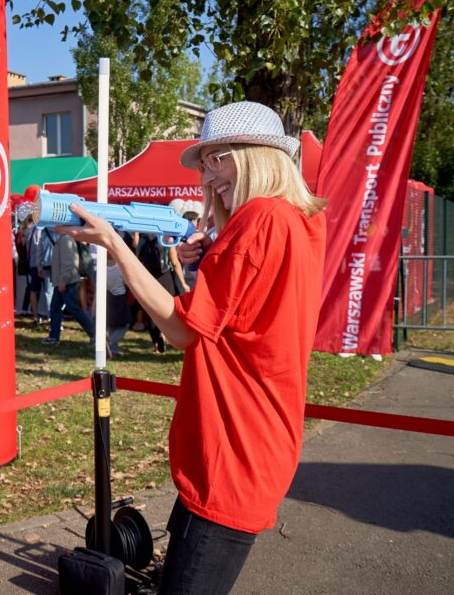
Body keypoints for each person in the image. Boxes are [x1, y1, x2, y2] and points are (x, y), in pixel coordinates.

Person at [55, 101, 327, 593]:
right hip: (255, 442)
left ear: (255, 155)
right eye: (205, 162)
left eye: (216, 157)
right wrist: (194, 264)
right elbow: (236, 320)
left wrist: (114, 244)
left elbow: (182, 331)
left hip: (231, 451)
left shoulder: (259, 219)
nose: (208, 173)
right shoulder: (297, 222)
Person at [41, 232, 95, 346]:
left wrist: (62, 282)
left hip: (66, 281)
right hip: (63, 281)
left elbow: (68, 264)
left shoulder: (65, 239)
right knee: (55, 308)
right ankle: (54, 337)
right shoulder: (64, 238)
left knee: (74, 309)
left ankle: (95, 335)